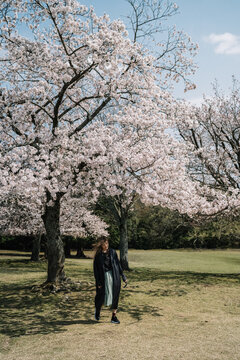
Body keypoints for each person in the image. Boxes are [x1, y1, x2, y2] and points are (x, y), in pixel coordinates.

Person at [93, 237, 127, 324]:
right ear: (101, 245)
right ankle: (97, 311)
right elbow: (96, 270)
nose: (106, 245)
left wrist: (123, 276)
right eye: (104, 244)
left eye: (107, 243)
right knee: (101, 296)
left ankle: (114, 317)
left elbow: (118, 265)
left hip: (114, 276)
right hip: (103, 278)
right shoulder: (98, 255)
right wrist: (98, 282)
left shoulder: (112, 252)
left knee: (115, 296)